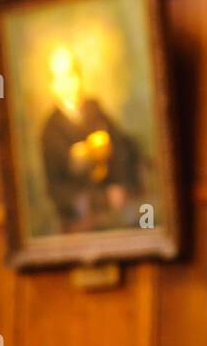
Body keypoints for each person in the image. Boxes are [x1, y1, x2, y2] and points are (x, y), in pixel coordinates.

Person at [40, 47, 141, 233]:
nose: (66, 83)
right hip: (81, 216)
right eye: (59, 77)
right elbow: (56, 188)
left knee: (142, 218)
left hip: (116, 203)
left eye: (70, 74)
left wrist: (119, 184)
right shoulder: (51, 130)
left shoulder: (95, 109)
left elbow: (121, 150)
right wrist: (100, 199)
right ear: (52, 85)